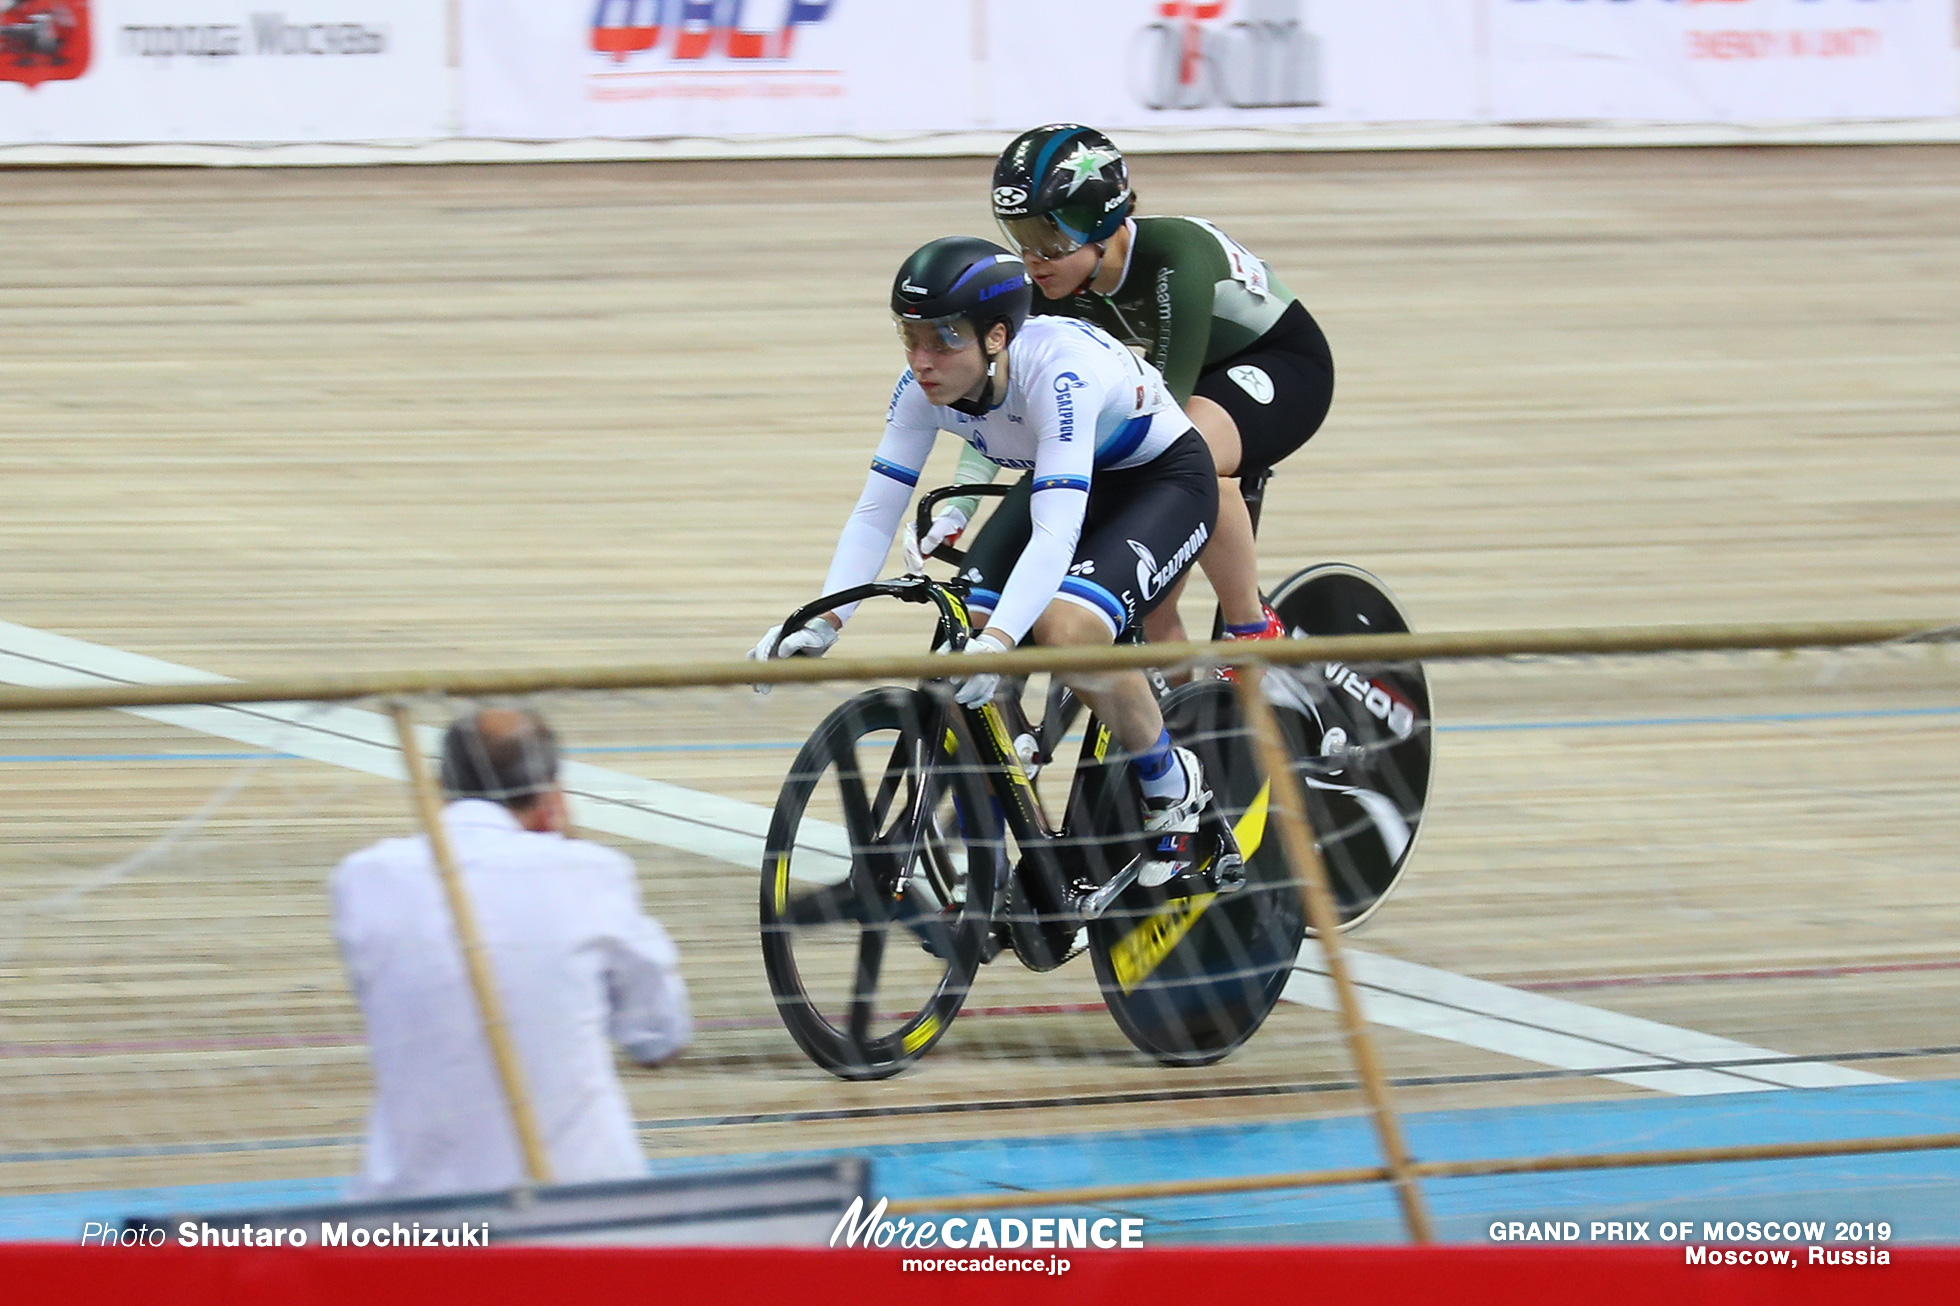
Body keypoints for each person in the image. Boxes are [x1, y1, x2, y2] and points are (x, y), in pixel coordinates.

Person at [751, 235, 1226, 881]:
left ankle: (1172, 781)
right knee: (958, 648)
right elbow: (875, 513)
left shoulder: (1059, 375)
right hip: (1063, 475)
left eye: (943, 339)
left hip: (1159, 480)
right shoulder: (920, 387)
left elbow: (1055, 536)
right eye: (909, 337)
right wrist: (823, 618)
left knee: (1067, 633)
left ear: (997, 337)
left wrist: (1003, 639)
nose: (922, 361)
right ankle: (1003, 838)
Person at [923, 123, 1335, 648]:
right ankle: (1180, 693)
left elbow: (1164, 411)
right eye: (1018, 236)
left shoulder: (1176, 256)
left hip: (1277, 365)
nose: (1032, 259)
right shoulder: (1055, 280)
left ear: (1100, 221)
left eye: (1047, 238)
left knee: (1190, 453)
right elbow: (1002, 400)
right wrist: (964, 505)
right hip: (1190, 371)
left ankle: (1251, 627)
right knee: (1144, 593)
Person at [331, 707, 691, 1199]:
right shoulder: (592, 872)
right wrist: (574, 852)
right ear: (550, 795)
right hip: (582, 1202)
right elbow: (659, 1037)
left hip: (413, 1208)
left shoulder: (364, 877)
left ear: (442, 782)